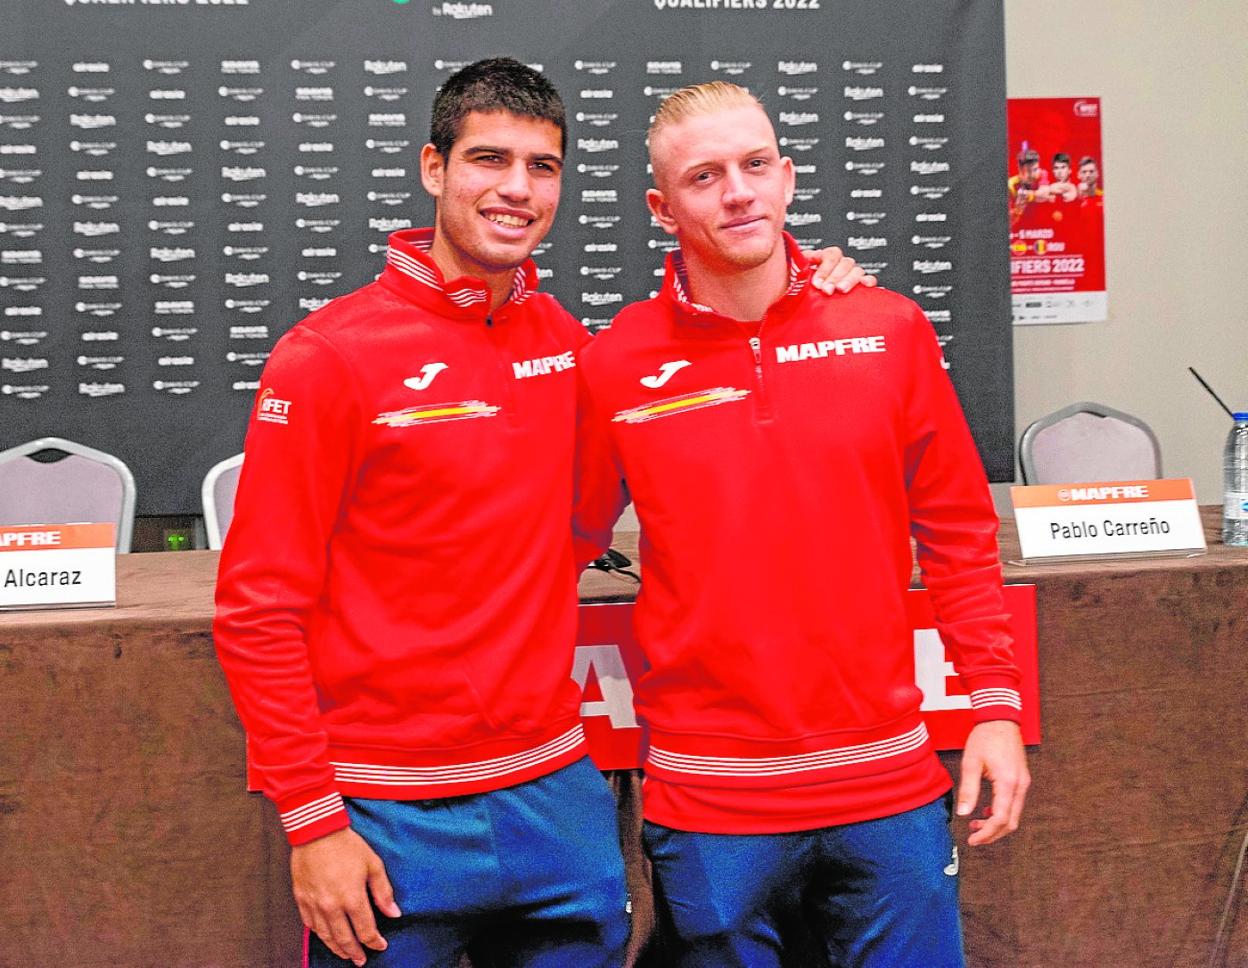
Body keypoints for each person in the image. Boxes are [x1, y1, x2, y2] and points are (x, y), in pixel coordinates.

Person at [213, 60, 870, 968]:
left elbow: (709, 391)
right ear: (434, 168)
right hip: (384, 814)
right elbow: (256, 611)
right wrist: (313, 821)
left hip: (557, 800)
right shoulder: (325, 359)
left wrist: (811, 290)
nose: (516, 189)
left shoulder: (569, 347)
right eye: (489, 160)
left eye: (542, 166)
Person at [574, 81, 1030, 968]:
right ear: (662, 208)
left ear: (786, 178)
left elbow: (960, 537)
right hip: (712, 800)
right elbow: (549, 544)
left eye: (754, 166)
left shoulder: (887, 328)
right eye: (704, 177)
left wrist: (995, 706)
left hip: (887, 784)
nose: (737, 192)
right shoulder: (617, 362)